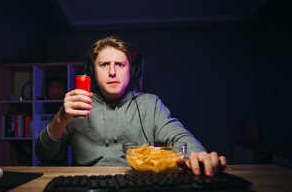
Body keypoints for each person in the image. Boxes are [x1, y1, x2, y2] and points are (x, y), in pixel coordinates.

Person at [36, 35, 227, 177]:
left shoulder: (150, 104)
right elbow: (44, 155)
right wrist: (60, 119)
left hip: (139, 184)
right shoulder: (77, 104)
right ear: (92, 72)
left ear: (132, 71)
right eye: (104, 65)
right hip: (86, 186)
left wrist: (198, 157)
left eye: (120, 64)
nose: (112, 72)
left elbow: (180, 137)